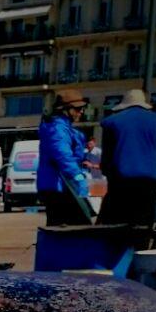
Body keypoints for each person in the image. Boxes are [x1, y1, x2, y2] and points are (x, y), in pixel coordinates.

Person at [98, 88, 156, 227]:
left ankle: (119, 247)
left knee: (118, 221)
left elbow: (107, 154)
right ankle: (140, 246)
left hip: (120, 179)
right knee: (143, 221)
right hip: (149, 179)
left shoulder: (111, 122)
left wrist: (106, 172)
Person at [37, 88, 93, 225]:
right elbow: (63, 156)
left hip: (58, 185)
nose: (82, 112)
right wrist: (78, 177)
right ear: (66, 110)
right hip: (59, 186)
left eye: (83, 108)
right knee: (68, 228)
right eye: (78, 109)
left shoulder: (61, 128)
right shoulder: (58, 129)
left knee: (63, 229)